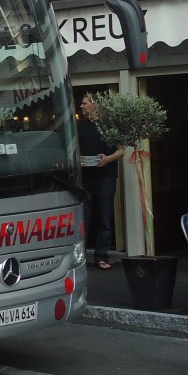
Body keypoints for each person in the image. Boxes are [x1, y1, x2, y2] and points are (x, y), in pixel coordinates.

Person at [78, 94, 124, 270]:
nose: (81, 106)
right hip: (85, 178)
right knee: (84, 218)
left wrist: (108, 158)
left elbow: (121, 150)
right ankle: (80, 256)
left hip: (106, 177)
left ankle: (101, 256)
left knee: (105, 217)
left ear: (95, 105)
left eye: (84, 103)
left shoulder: (109, 126)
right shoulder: (79, 126)